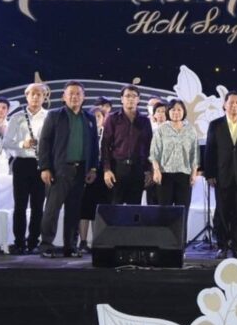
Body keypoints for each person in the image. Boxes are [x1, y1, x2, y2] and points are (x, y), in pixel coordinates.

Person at [38, 82, 99, 258]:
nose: (75, 97)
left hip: (81, 171)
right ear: (64, 96)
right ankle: (46, 246)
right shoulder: (54, 115)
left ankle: (70, 246)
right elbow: (44, 142)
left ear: (84, 97)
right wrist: (45, 167)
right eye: (71, 93)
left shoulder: (89, 118)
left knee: (74, 211)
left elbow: (94, 145)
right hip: (59, 170)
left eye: (78, 93)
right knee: (52, 210)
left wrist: (93, 168)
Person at [204, 91, 237, 259]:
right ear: (225, 104)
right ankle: (222, 246)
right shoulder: (215, 125)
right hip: (221, 176)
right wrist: (210, 174)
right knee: (222, 212)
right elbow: (209, 151)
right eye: (231, 102)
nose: (234, 105)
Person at [2, 83, 49, 254]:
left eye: (39, 94)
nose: (35, 97)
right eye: (32, 94)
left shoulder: (49, 117)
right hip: (22, 164)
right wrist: (23, 143)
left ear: (44, 97)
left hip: (41, 165)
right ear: (26, 95)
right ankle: (19, 242)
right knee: (20, 206)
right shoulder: (17, 117)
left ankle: (33, 242)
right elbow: (6, 142)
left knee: (38, 206)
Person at [150, 99, 200, 226]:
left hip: (184, 175)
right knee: (164, 212)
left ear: (184, 112)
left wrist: (194, 172)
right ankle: (164, 239)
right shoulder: (161, 129)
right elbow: (154, 153)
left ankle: (180, 239)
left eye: (179, 109)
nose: (176, 112)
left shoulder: (191, 130)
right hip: (165, 175)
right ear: (168, 111)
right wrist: (156, 170)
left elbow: (195, 153)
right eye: (173, 110)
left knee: (182, 213)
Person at [102, 85, 153, 205]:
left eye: (134, 96)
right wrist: (107, 169)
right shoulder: (113, 119)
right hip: (117, 169)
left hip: (138, 170)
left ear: (138, 99)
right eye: (127, 96)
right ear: (121, 99)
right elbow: (105, 146)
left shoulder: (145, 121)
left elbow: (149, 147)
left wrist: (149, 170)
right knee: (115, 207)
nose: (131, 99)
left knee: (134, 208)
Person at [78, 105, 110, 253]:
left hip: (103, 174)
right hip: (86, 173)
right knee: (84, 209)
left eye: (99, 116)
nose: (96, 119)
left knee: (99, 209)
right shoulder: (84, 133)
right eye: (94, 116)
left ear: (104, 119)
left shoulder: (108, 133)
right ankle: (83, 241)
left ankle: (97, 241)